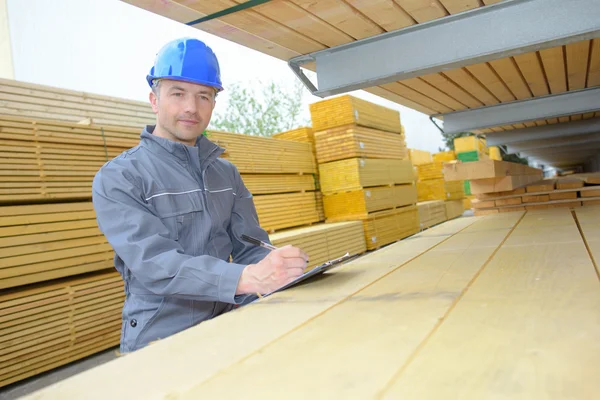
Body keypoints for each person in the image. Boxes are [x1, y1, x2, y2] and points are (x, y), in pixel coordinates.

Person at [92, 37, 308, 354]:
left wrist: (280, 270)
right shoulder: (120, 177)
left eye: (203, 96)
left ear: (213, 104)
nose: (191, 107)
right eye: (177, 94)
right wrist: (248, 279)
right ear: (154, 100)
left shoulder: (226, 174)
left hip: (229, 323)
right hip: (160, 339)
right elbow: (157, 264)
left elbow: (251, 248)